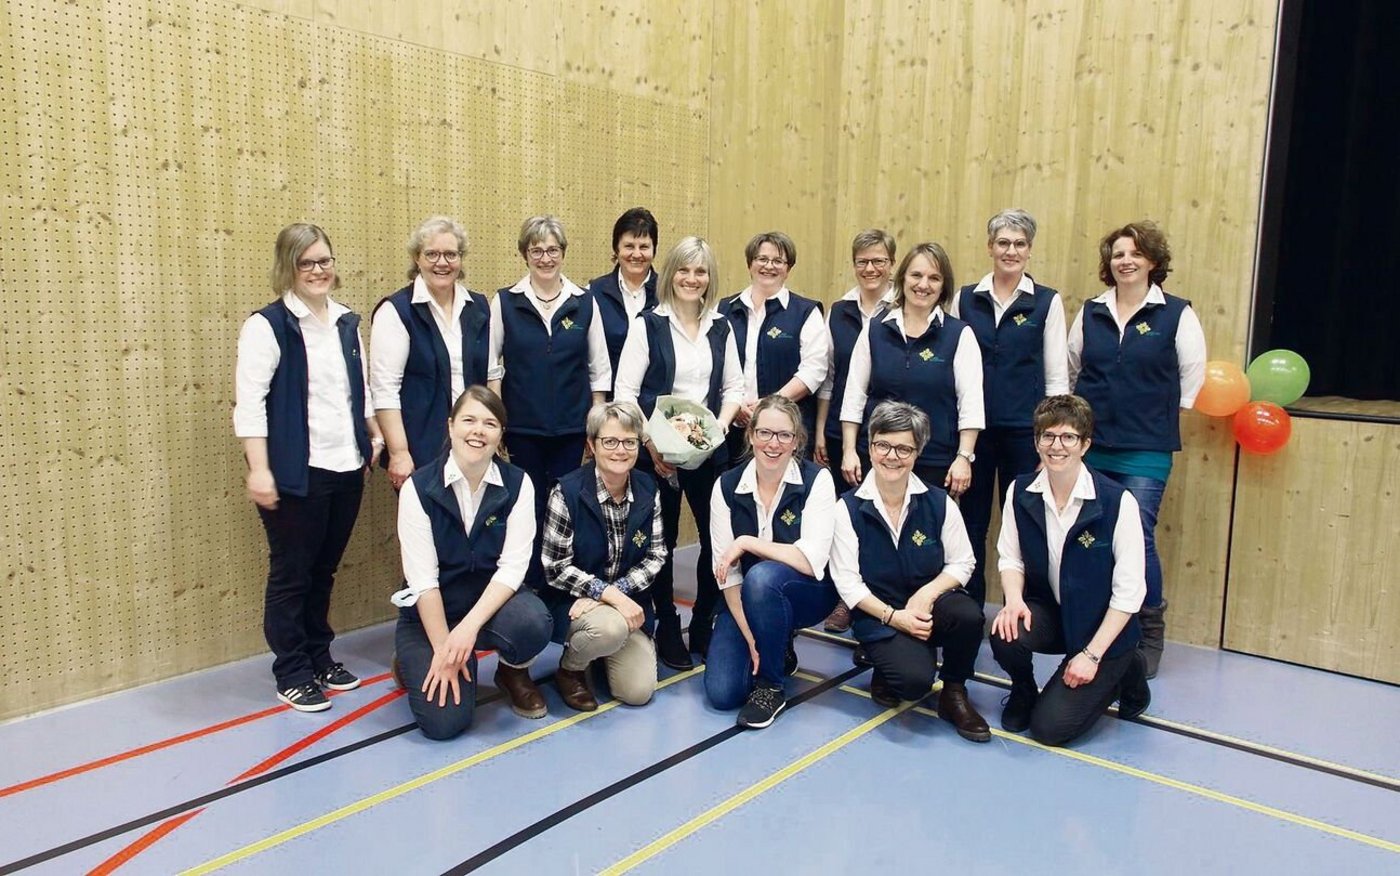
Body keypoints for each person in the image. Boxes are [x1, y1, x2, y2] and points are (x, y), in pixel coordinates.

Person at [233, 223, 383, 712]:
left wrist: (372, 435)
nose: (318, 270)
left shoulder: (345, 322)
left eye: (325, 260)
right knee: (292, 573)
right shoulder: (268, 326)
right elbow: (250, 405)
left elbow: (354, 391)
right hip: (297, 473)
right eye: (307, 263)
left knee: (324, 570)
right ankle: (292, 669)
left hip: (346, 467)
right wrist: (259, 468)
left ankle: (320, 655)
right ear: (288, 268)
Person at [1068, 221, 1206, 677]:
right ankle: (1099, 626)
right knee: (1094, 538)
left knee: (1139, 537)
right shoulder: (1091, 312)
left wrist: (1156, 418)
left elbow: (1191, 378)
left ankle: (1149, 632)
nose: (1125, 260)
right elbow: (1072, 370)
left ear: (1152, 261)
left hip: (1146, 449)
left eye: (1135, 253)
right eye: (1118, 254)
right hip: (1093, 448)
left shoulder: (1176, 313)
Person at [390, 386, 554, 740]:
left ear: (500, 434)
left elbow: (513, 568)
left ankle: (512, 671)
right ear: (450, 427)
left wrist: (466, 631)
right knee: (444, 724)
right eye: (469, 420)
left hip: (487, 609)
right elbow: (423, 581)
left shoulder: (518, 484)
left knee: (533, 622)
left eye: (490, 423)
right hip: (432, 615)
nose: (478, 430)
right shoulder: (417, 488)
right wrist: (445, 649)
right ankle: (411, 659)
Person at [990, 395, 1152, 745]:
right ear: (1036, 443)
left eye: (1068, 437)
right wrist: (1014, 600)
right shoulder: (1020, 491)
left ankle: (1126, 666)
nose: (1056, 446)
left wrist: (1092, 656)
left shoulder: (1116, 501)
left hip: (1100, 630)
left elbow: (1130, 592)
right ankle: (1022, 690)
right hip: (1053, 615)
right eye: (1047, 436)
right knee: (1005, 630)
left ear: (1085, 444)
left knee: (1049, 729)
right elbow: (1010, 557)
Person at [614, 236, 743, 668]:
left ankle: (704, 621)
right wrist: (652, 444)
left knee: (716, 541)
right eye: (684, 270)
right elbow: (626, 393)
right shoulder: (646, 324)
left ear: (710, 278)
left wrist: (717, 430)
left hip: (711, 454)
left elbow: (733, 388)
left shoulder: (721, 326)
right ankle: (667, 625)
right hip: (659, 456)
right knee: (662, 544)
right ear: (671, 274)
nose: (692, 279)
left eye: (701, 271)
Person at [828, 401, 990, 742]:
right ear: (870, 446)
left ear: (918, 453)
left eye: (904, 448)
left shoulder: (938, 501)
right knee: (912, 684)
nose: (892, 456)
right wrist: (893, 617)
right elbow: (847, 583)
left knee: (969, 615)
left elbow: (963, 562)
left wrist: (927, 594)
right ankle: (888, 662)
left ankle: (954, 693)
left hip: (928, 606)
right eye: (883, 445)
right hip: (879, 612)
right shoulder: (847, 508)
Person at [948, 209, 1069, 607]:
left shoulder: (1047, 303)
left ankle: (1027, 610)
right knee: (971, 522)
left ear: (1029, 250)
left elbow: (1056, 380)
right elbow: (951, 362)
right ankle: (968, 607)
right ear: (990, 247)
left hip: (1024, 435)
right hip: (974, 433)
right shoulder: (965, 298)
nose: (1010, 251)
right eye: (1003, 243)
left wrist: (1049, 442)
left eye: (1019, 244)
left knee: (1026, 521)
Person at [705, 396, 837, 729]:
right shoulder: (726, 486)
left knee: (763, 577)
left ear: (797, 440)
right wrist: (751, 637)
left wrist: (748, 542)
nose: (773, 444)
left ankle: (770, 687)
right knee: (722, 693)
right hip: (745, 600)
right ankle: (775, 644)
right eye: (764, 433)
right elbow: (728, 575)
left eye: (784, 435)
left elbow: (811, 560)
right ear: (750, 435)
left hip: (806, 592)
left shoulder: (817, 480)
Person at [488, 215, 612, 529]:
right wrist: (498, 421)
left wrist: (594, 424)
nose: (546, 258)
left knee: (566, 502)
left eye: (553, 250)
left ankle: (560, 574)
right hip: (522, 428)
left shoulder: (585, 302)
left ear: (563, 253)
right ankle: (529, 576)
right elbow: (492, 368)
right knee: (527, 504)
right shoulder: (505, 302)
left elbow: (599, 370)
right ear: (525, 254)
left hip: (572, 428)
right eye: (537, 251)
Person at [540, 401, 665, 711]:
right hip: (572, 605)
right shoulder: (566, 492)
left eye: (629, 441)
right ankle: (571, 669)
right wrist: (606, 593)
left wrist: (613, 596)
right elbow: (555, 567)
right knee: (608, 630)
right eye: (609, 441)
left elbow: (656, 555)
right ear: (591, 445)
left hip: (623, 606)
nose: (620, 450)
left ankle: (599, 650)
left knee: (638, 693)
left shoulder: (649, 489)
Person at [840, 242, 984, 494]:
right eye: (916, 275)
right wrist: (849, 450)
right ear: (903, 278)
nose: (923, 285)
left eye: (934, 278)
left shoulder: (959, 334)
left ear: (943, 285)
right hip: (877, 457)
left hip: (935, 460)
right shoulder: (874, 329)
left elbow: (970, 403)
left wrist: (964, 457)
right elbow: (854, 396)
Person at [814, 229, 896, 634]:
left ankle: (876, 605)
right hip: (841, 431)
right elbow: (829, 379)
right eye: (863, 260)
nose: (870, 268)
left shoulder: (904, 306)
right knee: (845, 519)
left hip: (889, 436)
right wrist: (818, 432)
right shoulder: (840, 310)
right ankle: (845, 599)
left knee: (880, 519)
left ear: (891, 265)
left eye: (879, 260)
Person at [370, 216, 491, 488]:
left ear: (461, 259)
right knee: (427, 528)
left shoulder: (479, 308)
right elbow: (385, 388)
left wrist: (494, 433)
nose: (442, 262)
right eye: (432, 254)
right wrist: (399, 452)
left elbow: (491, 374)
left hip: (474, 444)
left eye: (451, 254)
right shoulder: (396, 312)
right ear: (417, 258)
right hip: (420, 448)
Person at [718, 231, 830, 458]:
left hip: (785, 433)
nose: (769, 266)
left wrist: (769, 405)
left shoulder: (806, 312)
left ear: (788, 269)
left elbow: (814, 370)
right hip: (733, 427)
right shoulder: (723, 310)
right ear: (750, 263)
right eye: (762, 259)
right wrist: (735, 404)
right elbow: (712, 364)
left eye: (778, 261)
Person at [589, 208, 659, 388]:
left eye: (644, 247)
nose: (636, 254)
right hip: (608, 403)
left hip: (656, 405)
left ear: (654, 250)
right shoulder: (593, 293)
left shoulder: (668, 294)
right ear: (616, 248)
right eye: (629, 246)